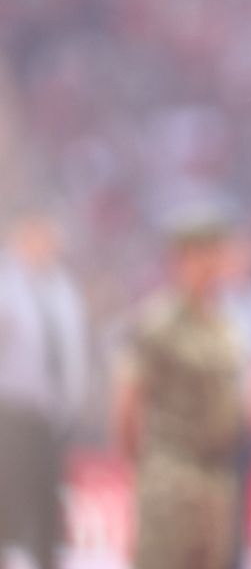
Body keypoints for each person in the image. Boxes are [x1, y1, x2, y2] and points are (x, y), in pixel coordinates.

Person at [113, 208, 244, 569]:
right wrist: (147, 475)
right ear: (180, 259)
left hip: (216, 482)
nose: (211, 265)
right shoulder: (157, 323)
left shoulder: (227, 326)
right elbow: (127, 404)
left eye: (217, 254)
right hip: (169, 479)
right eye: (201, 254)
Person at [0, 200, 87, 569]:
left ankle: (46, 560)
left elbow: (72, 350)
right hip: (11, 413)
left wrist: (74, 399)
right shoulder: (6, 286)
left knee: (47, 504)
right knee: (8, 502)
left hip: (53, 416)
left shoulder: (62, 287)